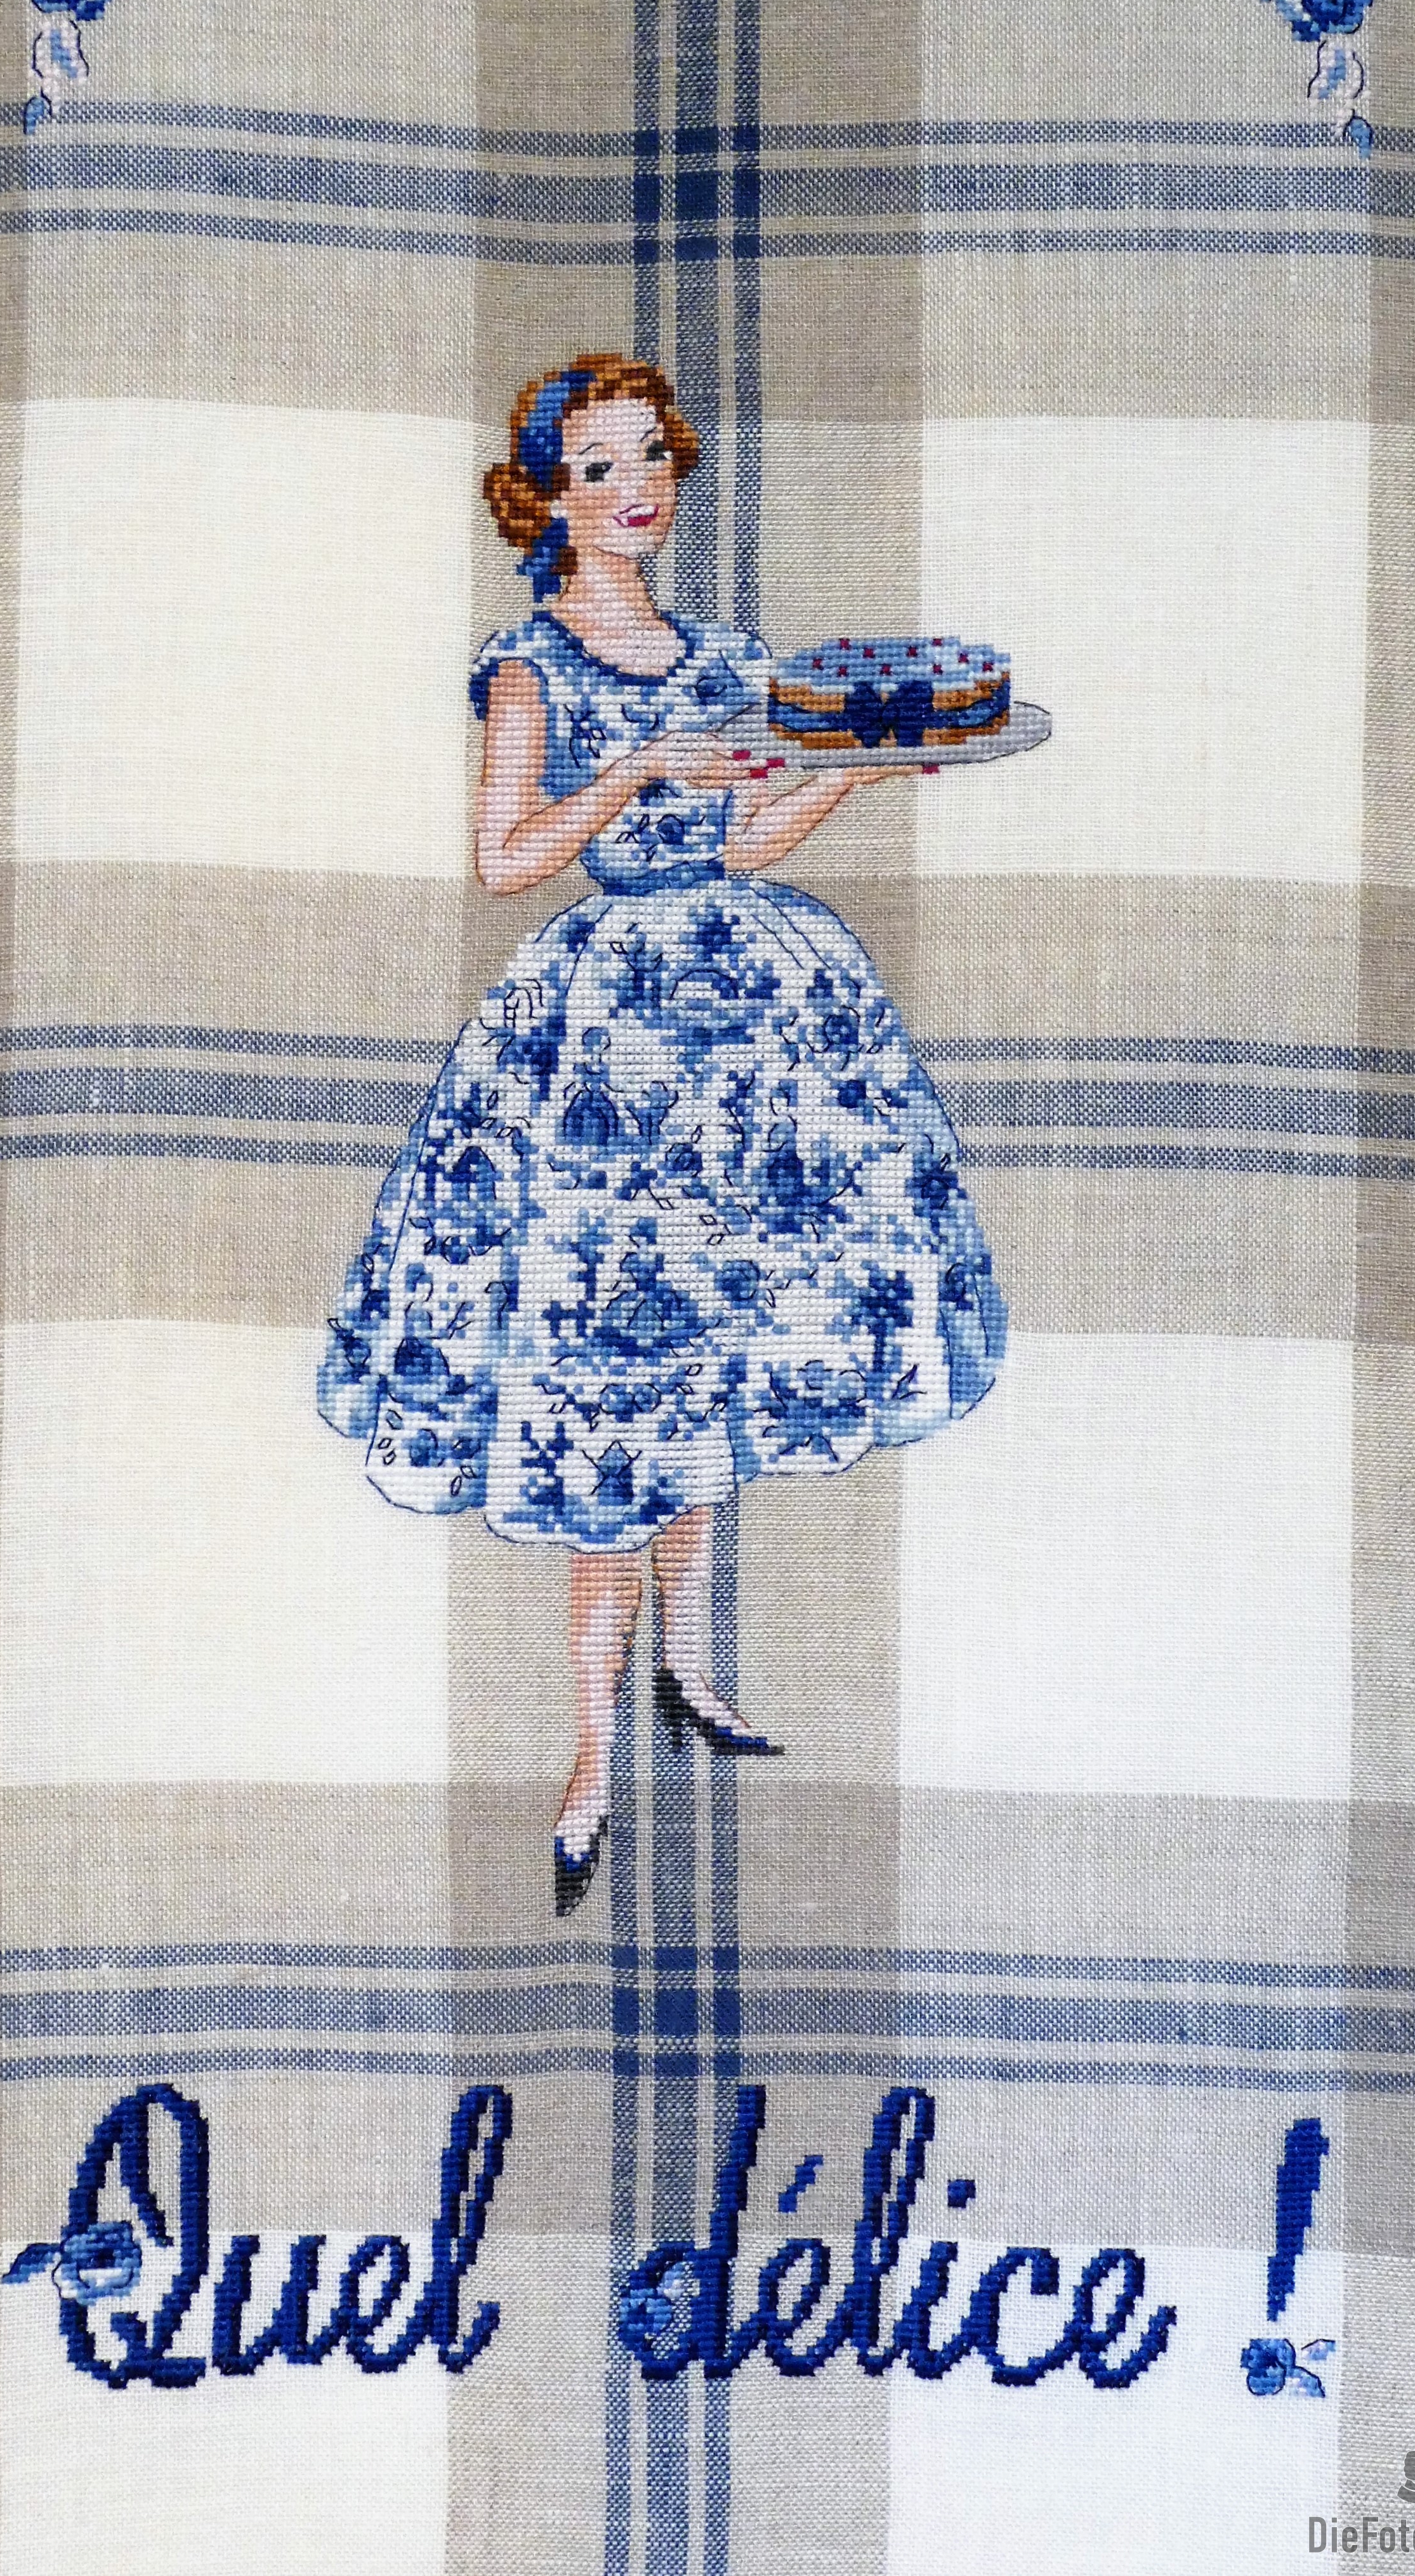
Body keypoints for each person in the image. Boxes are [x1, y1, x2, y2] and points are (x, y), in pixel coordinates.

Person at [319, 353, 1005, 1912]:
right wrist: (633, 763)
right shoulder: (530, 667)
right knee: (606, 1406)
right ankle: (588, 1762)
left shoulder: (730, 659)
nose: (640, 491)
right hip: (603, 1055)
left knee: (703, 1372)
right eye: (603, 468)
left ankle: (689, 1675)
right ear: (546, 500)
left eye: (654, 458)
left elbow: (745, 841)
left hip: (744, 1037)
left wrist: (857, 764)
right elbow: (506, 860)